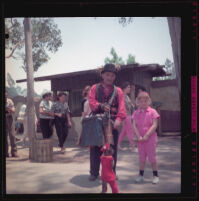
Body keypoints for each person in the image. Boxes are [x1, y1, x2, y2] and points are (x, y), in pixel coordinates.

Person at [88, 63, 126, 181]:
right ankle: (94, 173)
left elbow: (122, 107)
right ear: (102, 75)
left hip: (112, 122)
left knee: (112, 149)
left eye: (112, 75)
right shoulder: (94, 88)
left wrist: (119, 119)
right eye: (107, 75)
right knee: (95, 148)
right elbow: (91, 102)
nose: (110, 77)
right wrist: (100, 106)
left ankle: (112, 172)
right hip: (96, 122)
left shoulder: (118, 91)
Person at [132, 91, 160, 184]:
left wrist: (147, 135)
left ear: (149, 101)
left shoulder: (153, 112)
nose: (143, 103)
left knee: (152, 158)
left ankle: (155, 176)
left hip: (150, 139)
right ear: (138, 102)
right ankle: (140, 175)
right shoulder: (136, 113)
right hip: (140, 140)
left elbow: (155, 125)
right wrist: (139, 136)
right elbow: (134, 125)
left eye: (145, 101)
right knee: (142, 158)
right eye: (141, 101)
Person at [118, 81, 135, 151]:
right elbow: (121, 107)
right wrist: (123, 118)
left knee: (124, 132)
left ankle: (117, 145)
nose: (129, 89)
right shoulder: (121, 96)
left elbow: (131, 106)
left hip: (129, 115)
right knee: (130, 131)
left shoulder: (127, 96)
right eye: (128, 87)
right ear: (124, 88)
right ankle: (133, 147)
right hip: (126, 116)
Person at [5, 91, 18, 157]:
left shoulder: (10, 101)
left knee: (12, 135)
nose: (5, 97)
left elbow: (13, 110)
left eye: (6, 95)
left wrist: (8, 109)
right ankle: (5, 153)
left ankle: (14, 152)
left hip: (10, 118)